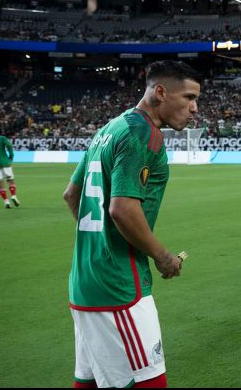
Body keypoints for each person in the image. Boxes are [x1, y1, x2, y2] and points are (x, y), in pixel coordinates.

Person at [61, 60, 201, 388]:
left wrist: (99, 243)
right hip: (119, 286)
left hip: (84, 280)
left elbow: (71, 195)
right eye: (189, 98)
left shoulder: (108, 129)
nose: (195, 108)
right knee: (149, 382)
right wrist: (163, 257)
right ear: (161, 92)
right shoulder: (144, 133)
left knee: (90, 381)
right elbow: (122, 210)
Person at [0, 129, 20, 208]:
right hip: (5, 162)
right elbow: (9, 145)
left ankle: (6, 201)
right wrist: (11, 155)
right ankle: (13, 195)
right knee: (10, 180)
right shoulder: (1, 138)